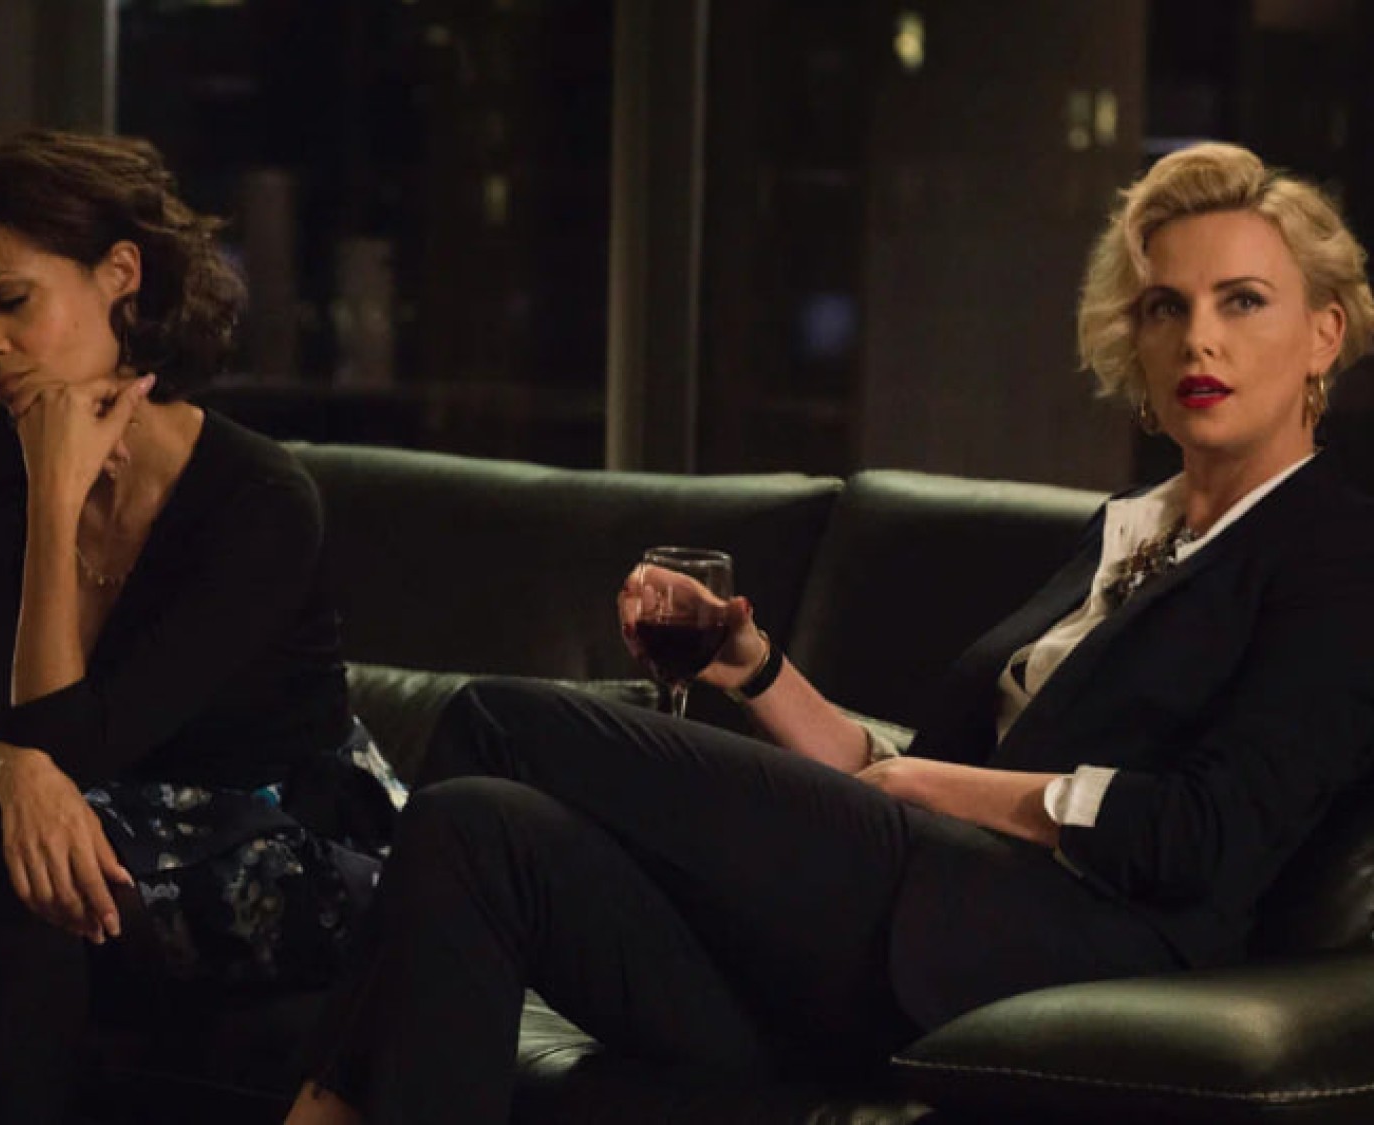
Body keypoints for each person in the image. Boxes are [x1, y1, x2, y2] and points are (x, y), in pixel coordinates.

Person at [281, 140, 1374, 1125]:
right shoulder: (1125, 530)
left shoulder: (1336, 552)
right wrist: (755, 670)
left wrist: (936, 790)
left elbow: (1207, 834)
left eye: (1243, 302)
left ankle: (327, 1100)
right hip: (889, 939)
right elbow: (894, 776)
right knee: (476, 827)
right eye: (1167, 306)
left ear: (1325, 332)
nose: (1199, 338)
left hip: (1045, 958)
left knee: (497, 721)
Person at [0, 129, 403, 1125]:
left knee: (7, 868)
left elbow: (66, 747)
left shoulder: (259, 499)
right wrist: (12, 775)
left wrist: (54, 502)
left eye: (11, 301)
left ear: (120, 276)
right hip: (101, 825)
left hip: (281, 846)